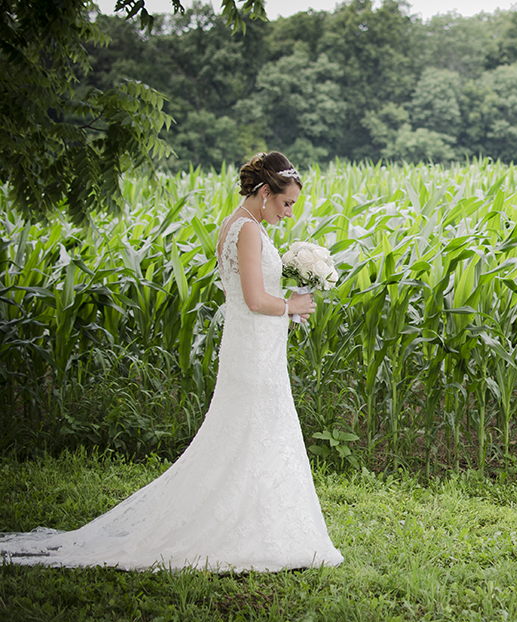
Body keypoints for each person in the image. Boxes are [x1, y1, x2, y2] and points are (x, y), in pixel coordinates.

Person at [0, 152, 343, 572]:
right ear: (265, 192)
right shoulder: (248, 231)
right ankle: (247, 527)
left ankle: (256, 518)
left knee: (253, 432)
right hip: (251, 350)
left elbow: (249, 297)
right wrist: (291, 304)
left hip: (252, 344)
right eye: (286, 203)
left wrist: (286, 310)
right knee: (257, 428)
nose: (289, 212)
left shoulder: (239, 225)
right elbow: (254, 299)